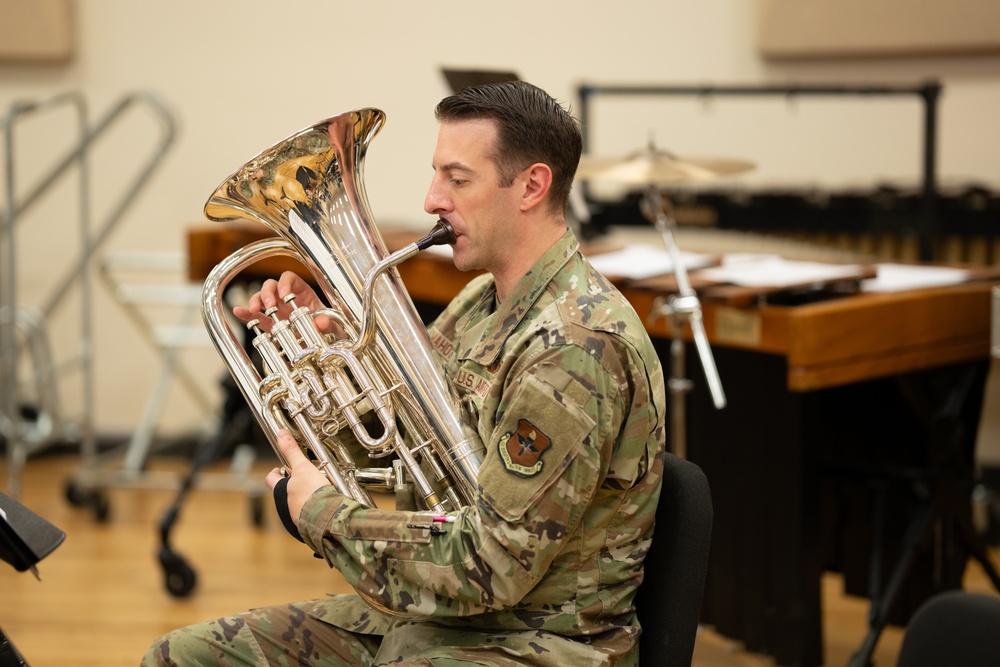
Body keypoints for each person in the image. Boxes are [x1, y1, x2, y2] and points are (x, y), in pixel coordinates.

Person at [142, 80, 666, 667]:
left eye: (457, 179)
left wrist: (321, 515)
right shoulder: (478, 301)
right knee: (181, 657)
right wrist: (335, 356)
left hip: (537, 641)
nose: (431, 199)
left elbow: (494, 563)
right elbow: (393, 450)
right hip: (443, 617)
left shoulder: (576, 346)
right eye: (436, 174)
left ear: (532, 186)